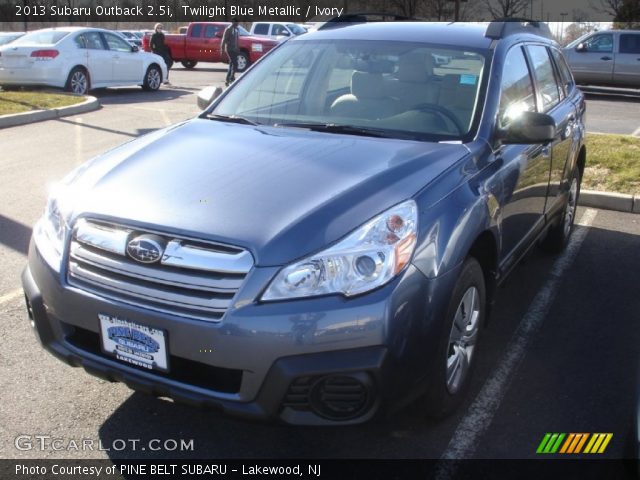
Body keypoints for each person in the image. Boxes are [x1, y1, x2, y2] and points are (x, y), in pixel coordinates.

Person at [221, 18, 240, 87]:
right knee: (235, 63)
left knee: (231, 64)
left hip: (235, 49)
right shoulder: (228, 29)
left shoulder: (237, 29)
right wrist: (222, 49)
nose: (238, 23)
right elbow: (223, 40)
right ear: (233, 22)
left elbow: (237, 39)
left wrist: (238, 47)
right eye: (236, 22)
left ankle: (227, 79)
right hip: (229, 49)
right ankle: (232, 78)